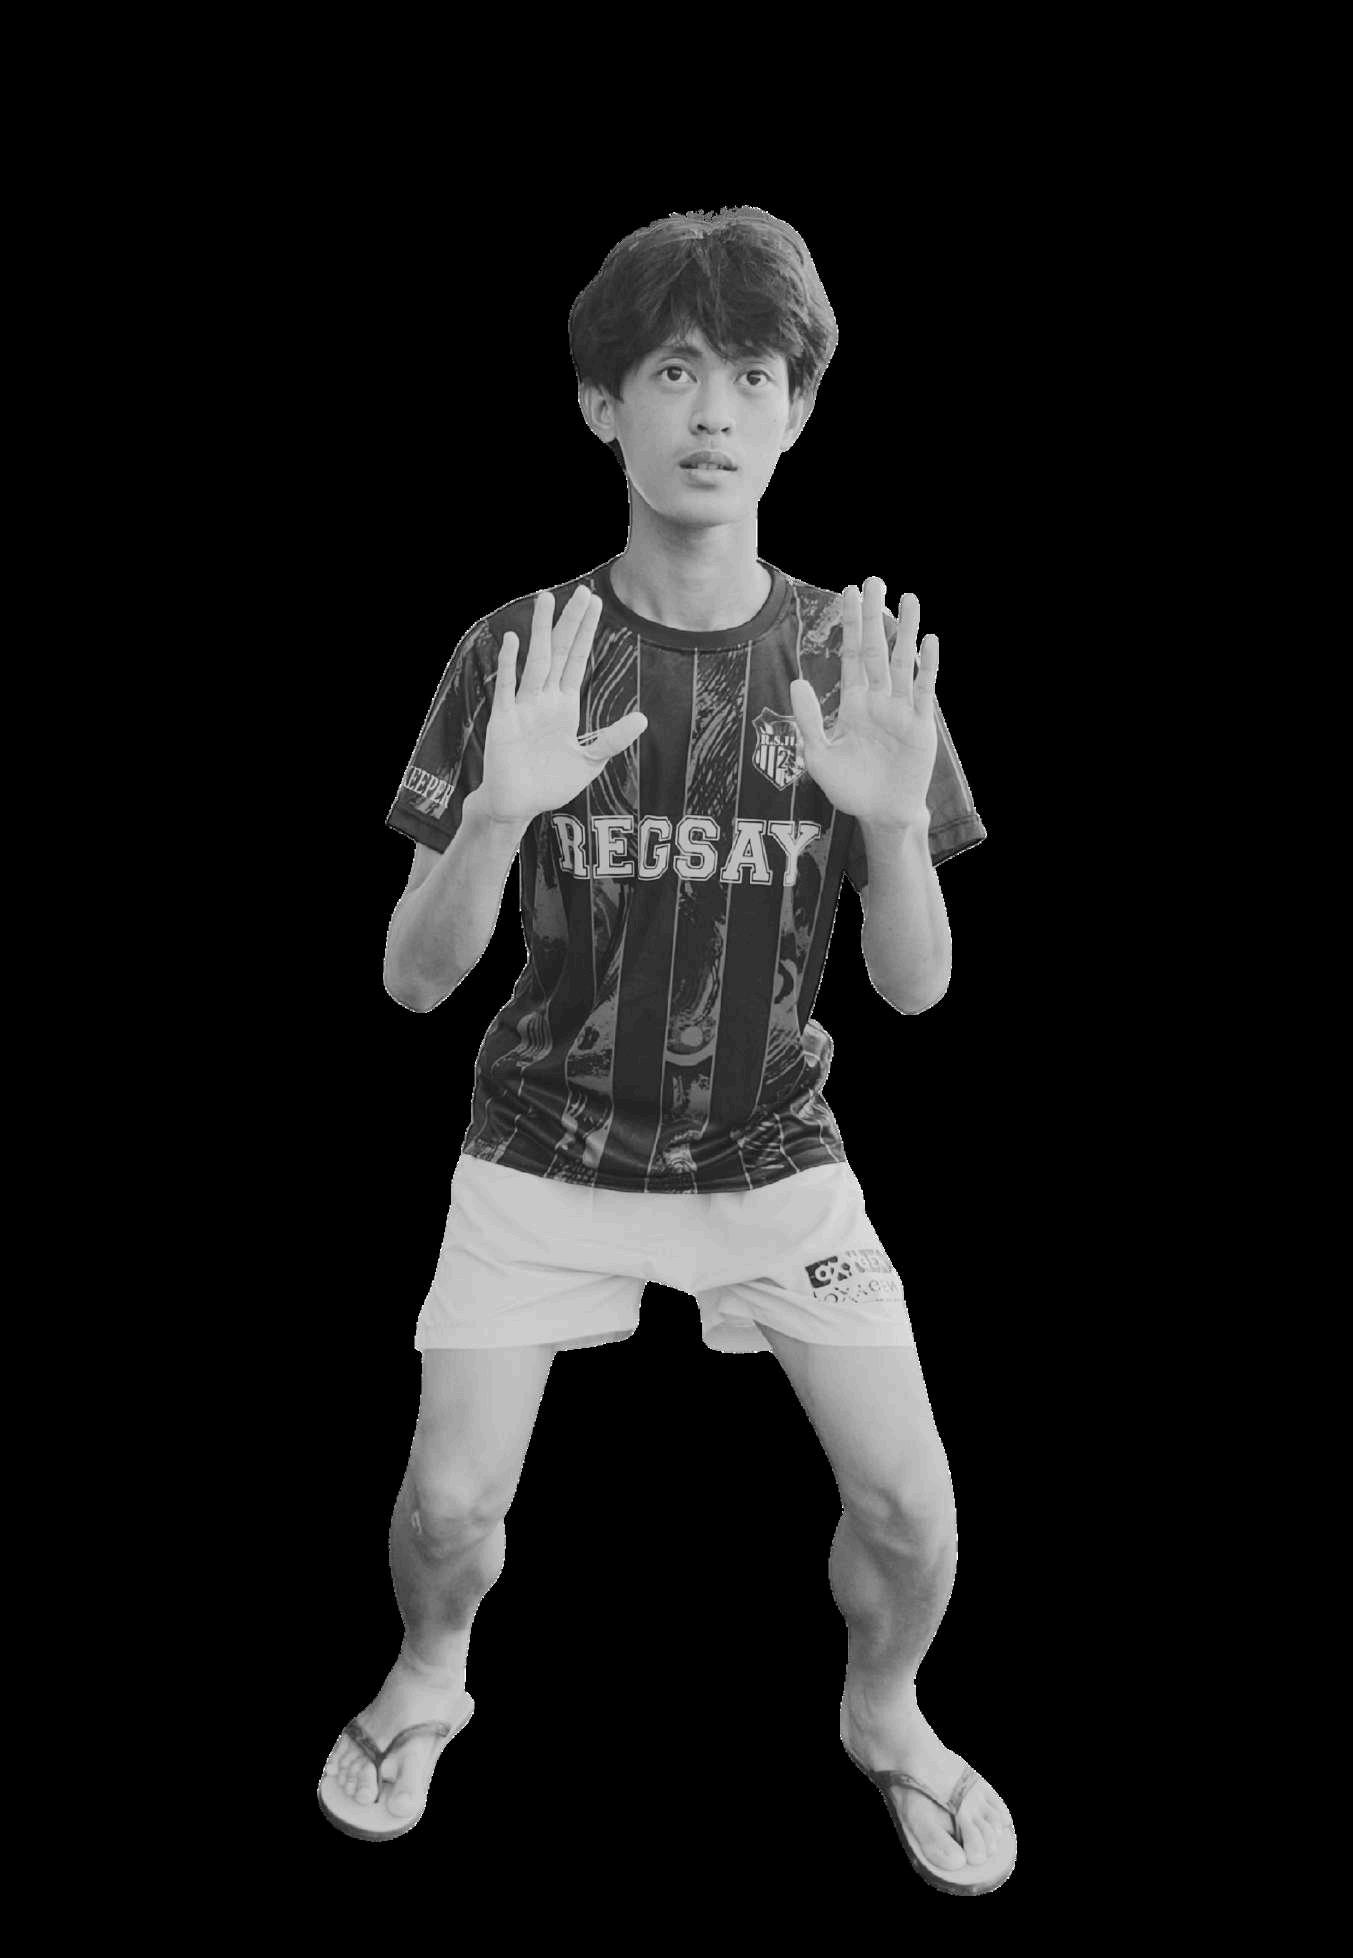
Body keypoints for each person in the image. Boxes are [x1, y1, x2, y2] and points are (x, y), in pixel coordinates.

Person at [317, 206, 1015, 1896]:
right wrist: (497, 814)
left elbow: (918, 990)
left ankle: (885, 1709)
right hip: (541, 1140)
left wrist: (890, 825)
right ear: (601, 405)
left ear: (798, 412)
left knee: (915, 1513)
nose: (714, 410)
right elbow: (413, 981)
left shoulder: (855, 660)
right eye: (676, 370)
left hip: (771, 1148)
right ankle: (427, 1675)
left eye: (753, 375)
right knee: (447, 1514)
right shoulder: (516, 652)